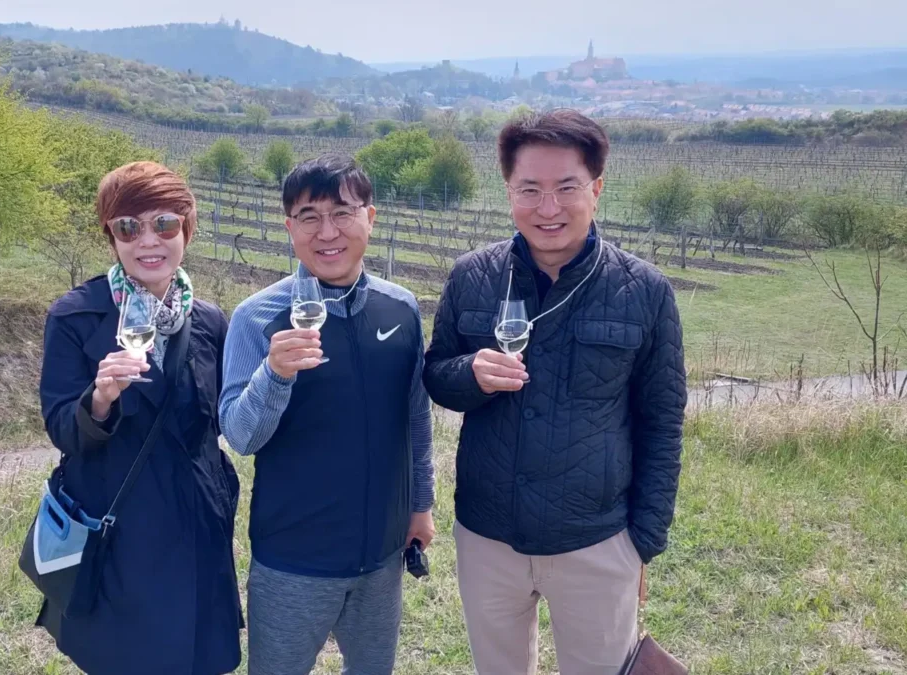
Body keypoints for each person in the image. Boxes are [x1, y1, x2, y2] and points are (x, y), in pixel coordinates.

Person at [422, 109, 687, 675]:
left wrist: (641, 542)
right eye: (530, 190)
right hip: (488, 535)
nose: (548, 208)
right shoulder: (473, 276)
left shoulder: (644, 291)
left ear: (596, 189)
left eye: (567, 187)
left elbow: (662, 421)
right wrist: (471, 373)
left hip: (595, 539)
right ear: (508, 192)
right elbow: (436, 374)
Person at [218, 154, 435, 675]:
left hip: (381, 557)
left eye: (342, 213)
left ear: (370, 218)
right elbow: (240, 436)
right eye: (309, 217)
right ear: (289, 228)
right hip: (293, 560)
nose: (328, 232)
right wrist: (275, 374)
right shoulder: (257, 317)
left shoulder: (401, 308)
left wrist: (420, 506)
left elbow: (415, 417)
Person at [36, 161, 243, 674]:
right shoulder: (76, 315)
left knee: (197, 660)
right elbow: (62, 427)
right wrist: (100, 399)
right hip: (119, 533)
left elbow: (225, 421)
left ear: (186, 229)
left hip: (197, 528)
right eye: (129, 227)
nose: (149, 240)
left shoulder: (210, 321)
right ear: (111, 235)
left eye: (164, 224)